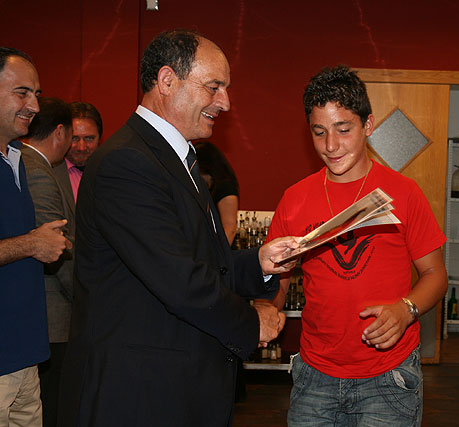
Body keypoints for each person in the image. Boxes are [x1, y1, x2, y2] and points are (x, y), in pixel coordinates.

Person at [57, 30, 299, 427]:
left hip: (170, 385)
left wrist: (258, 263)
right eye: (213, 87)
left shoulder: (175, 158)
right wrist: (250, 322)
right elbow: (179, 280)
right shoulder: (127, 162)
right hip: (137, 393)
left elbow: (199, 260)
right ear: (167, 81)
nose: (225, 102)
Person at [266, 65, 448, 426]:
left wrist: (406, 310)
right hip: (315, 375)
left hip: (389, 376)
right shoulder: (295, 199)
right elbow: (278, 278)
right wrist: (267, 308)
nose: (331, 145)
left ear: (368, 125)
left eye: (343, 129)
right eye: (319, 132)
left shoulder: (404, 193)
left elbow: (436, 275)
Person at [0, 47, 71, 426]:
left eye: (37, 94)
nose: (34, 105)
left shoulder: (16, 158)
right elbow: (29, 243)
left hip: (25, 354)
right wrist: (32, 244)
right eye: (22, 93)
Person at [20, 96, 75, 427]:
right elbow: (58, 251)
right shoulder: (38, 171)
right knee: (51, 407)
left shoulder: (26, 163)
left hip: (42, 314)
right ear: (60, 132)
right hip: (52, 316)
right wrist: (83, 299)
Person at [53, 101, 102, 203]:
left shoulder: (110, 171)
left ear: (99, 139)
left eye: (89, 138)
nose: (81, 148)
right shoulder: (50, 173)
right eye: (74, 138)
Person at [195, 141, 239, 245]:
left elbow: (230, 228)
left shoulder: (226, 187)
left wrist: (220, 253)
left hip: (219, 248)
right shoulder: (208, 187)